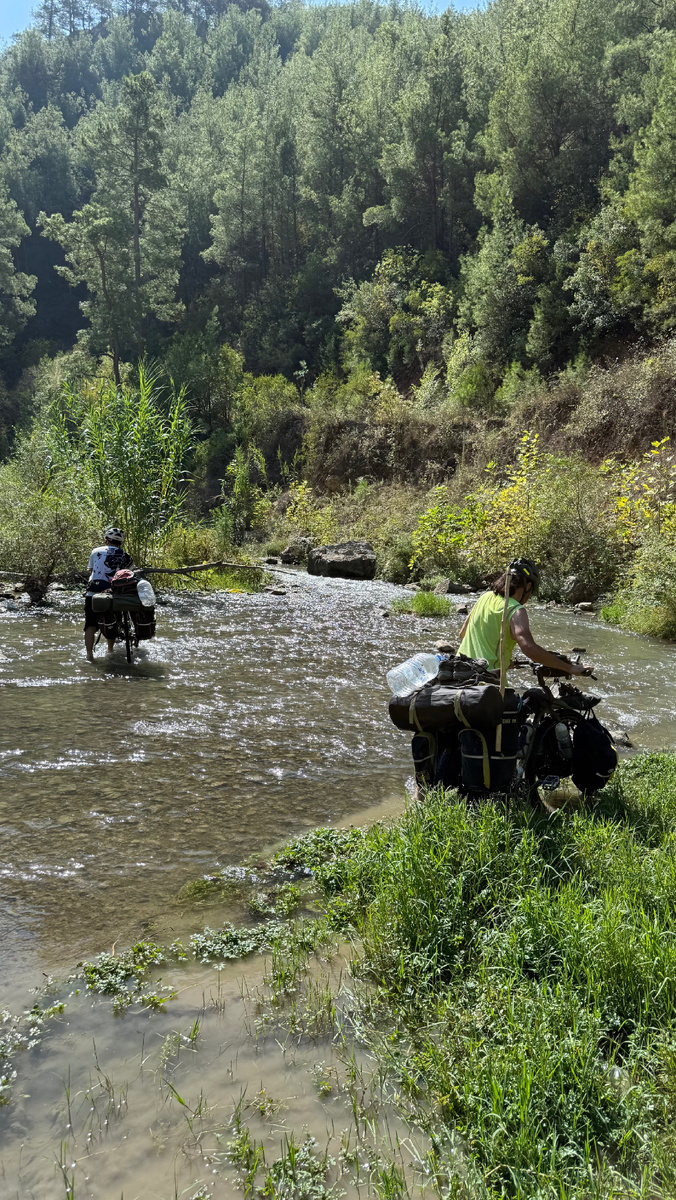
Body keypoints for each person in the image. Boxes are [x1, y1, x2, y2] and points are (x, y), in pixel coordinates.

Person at [458, 558, 592, 678]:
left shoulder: (484, 597)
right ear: (528, 586)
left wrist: (502, 659)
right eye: (531, 592)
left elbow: (463, 633)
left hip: (458, 671)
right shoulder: (515, 610)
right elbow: (529, 648)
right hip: (486, 680)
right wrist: (570, 668)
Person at [84, 527, 133, 661]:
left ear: (106, 540)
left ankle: (89, 655)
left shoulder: (95, 551)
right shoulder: (125, 556)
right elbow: (127, 575)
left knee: (90, 625)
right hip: (112, 594)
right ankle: (110, 651)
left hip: (92, 593)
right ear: (121, 543)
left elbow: (91, 571)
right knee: (112, 622)